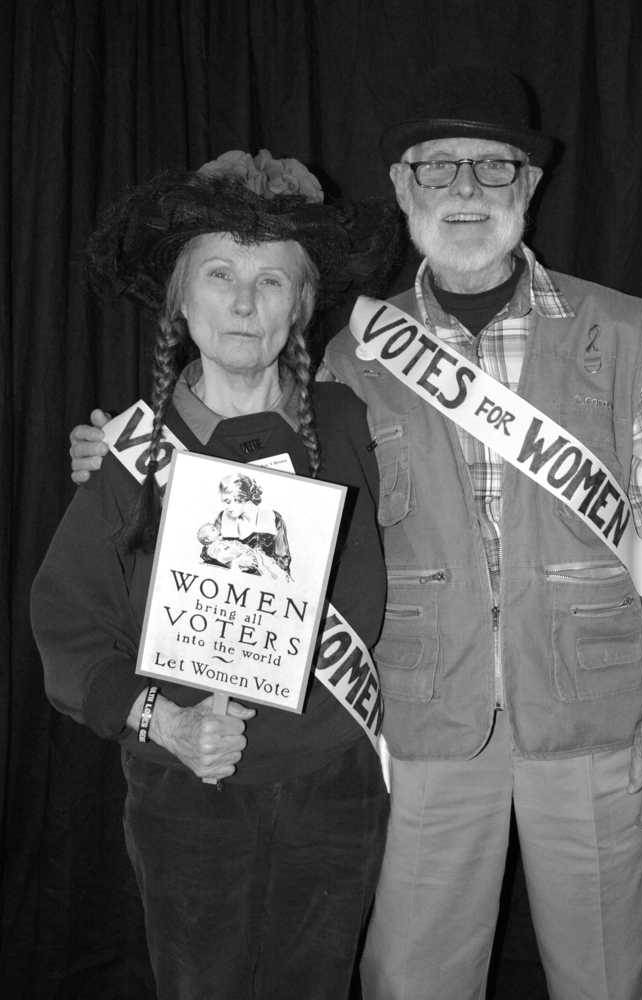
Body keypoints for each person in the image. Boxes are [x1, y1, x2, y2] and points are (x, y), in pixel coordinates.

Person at [69, 68, 642, 1000]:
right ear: (404, 187)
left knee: (608, 980)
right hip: (423, 725)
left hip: (598, 719)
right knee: (415, 981)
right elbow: (240, 471)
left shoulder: (613, 334)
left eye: (493, 169)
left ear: (529, 190)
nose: (464, 190)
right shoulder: (349, 355)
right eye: (438, 167)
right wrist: (128, 457)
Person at [33, 151, 398, 1000]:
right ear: (180, 298)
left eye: (273, 281)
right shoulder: (131, 454)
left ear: (303, 306)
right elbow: (71, 630)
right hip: (187, 794)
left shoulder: (352, 425)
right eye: (220, 273)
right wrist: (162, 721)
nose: (244, 301)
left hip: (335, 790)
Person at [198, 471, 291, 578]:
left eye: (228, 502)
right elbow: (211, 554)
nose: (225, 507)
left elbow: (283, 561)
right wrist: (236, 563)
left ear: (241, 497)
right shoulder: (222, 518)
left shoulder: (273, 518)